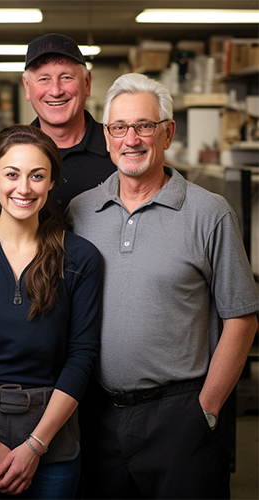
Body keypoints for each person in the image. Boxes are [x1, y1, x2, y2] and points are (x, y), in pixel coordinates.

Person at [66, 73, 259, 499]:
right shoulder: (81, 212)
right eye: (119, 127)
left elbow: (242, 319)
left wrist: (205, 411)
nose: (131, 139)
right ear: (107, 136)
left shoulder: (210, 213)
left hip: (180, 419)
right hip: (96, 417)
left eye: (144, 126)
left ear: (167, 133)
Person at [0, 124, 102, 499]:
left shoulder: (80, 258)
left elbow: (82, 357)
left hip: (52, 439)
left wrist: (35, 446)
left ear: (52, 182)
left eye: (37, 176)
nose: (23, 188)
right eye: (12, 174)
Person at [0, 33, 116, 211]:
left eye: (66, 77)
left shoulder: (120, 149)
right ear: (27, 87)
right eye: (44, 79)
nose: (55, 91)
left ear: (87, 83)